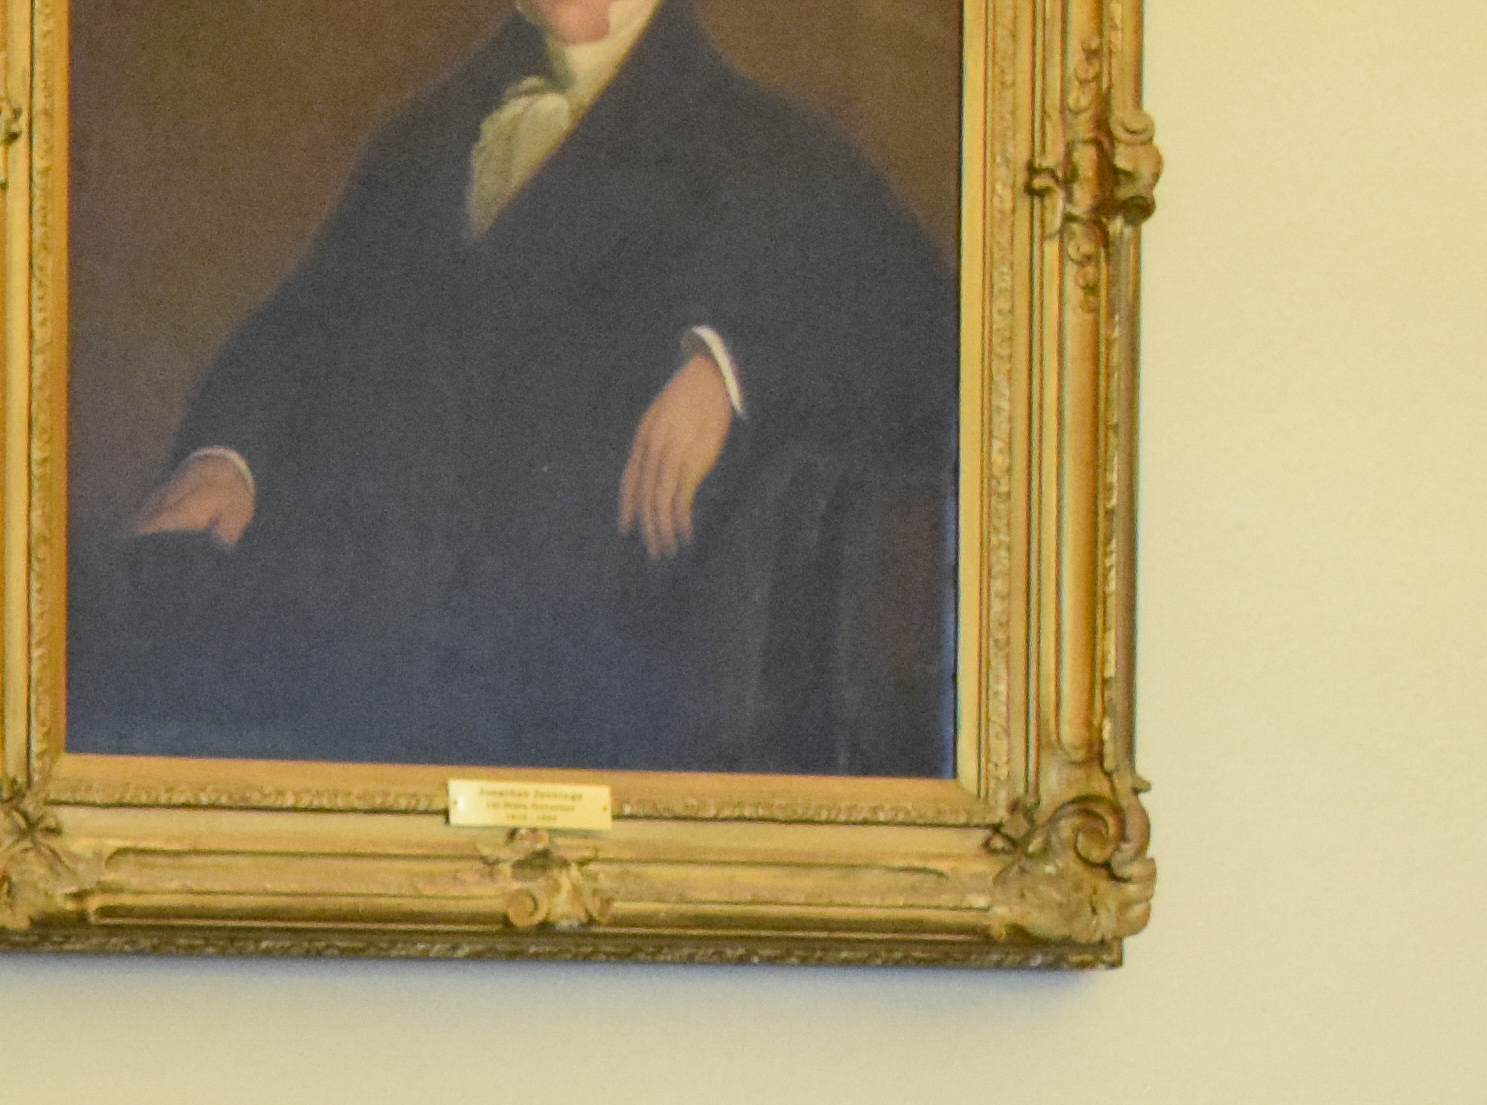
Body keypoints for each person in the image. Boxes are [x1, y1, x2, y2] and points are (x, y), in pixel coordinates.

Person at [85, 0, 959, 773]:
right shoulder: (427, 135)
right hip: (326, 638)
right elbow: (305, 319)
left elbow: (926, 335)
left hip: (559, 691)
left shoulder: (767, 149)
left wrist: (727, 369)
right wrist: (227, 455)